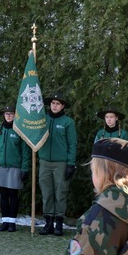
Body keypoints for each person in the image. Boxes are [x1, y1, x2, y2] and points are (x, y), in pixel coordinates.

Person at [37, 92, 77, 236]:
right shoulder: (42, 120)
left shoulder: (68, 122)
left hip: (61, 163)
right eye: (53, 103)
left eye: (58, 104)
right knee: (47, 193)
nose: (55, 106)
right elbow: (34, 135)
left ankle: (59, 223)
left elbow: (72, 144)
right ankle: (48, 223)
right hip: (44, 162)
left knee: (60, 193)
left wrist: (71, 163)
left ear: (62, 106)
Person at [0, 105, 30, 232]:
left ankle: (12, 222)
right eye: (6, 113)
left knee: (13, 194)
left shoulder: (19, 130)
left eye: (11, 113)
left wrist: (24, 168)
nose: (8, 116)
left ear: (15, 115)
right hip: (0, 166)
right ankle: (4, 221)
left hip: (14, 167)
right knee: (3, 195)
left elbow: (25, 151)